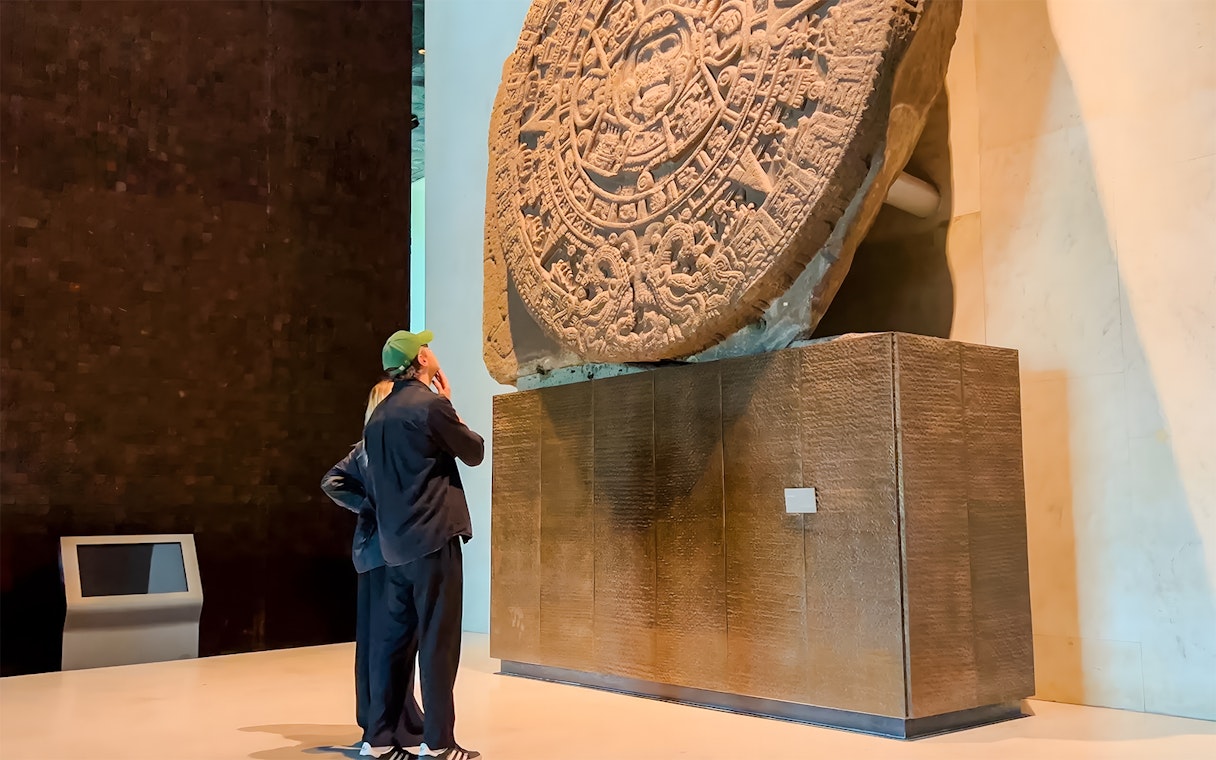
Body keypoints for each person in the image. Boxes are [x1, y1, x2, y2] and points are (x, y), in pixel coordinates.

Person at [362, 330, 485, 760]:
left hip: (394, 547)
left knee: (395, 645)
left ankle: (378, 740)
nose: (432, 352)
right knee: (438, 642)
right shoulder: (431, 407)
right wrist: (448, 403)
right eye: (426, 348)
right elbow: (474, 452)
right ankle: (438, 743)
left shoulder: (377, 418)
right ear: (420, 361)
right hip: (433, 540)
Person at [321, 380, 426, 756]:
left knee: (380, 642)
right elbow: (331, 482)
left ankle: (384, 718)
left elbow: (332, 481)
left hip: (374, 556)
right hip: (387, 555)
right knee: (391, 642)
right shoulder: (376, 450)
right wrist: (372, 505)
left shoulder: (368, 449)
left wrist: (367, 504)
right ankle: (390, 722)